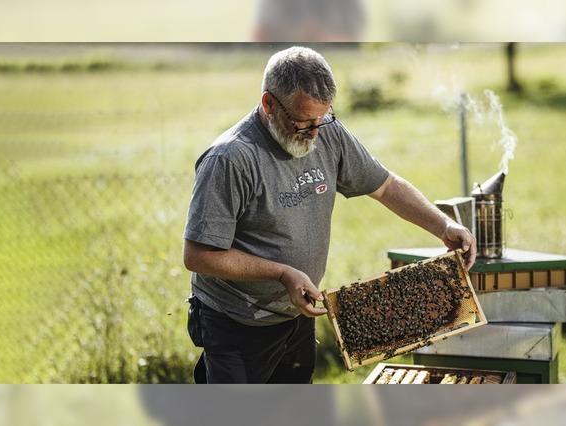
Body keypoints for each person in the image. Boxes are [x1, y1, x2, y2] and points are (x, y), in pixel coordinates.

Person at [182, 46, 476, 384]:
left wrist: (444, 225)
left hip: (296, 315)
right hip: (236, 323)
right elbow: (199, 255)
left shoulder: (327, 131)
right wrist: (282, 273)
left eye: (322, 118)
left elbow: (386, 186)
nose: (315, 132)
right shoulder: (230, 159)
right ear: (268, 104)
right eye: (303, 122)